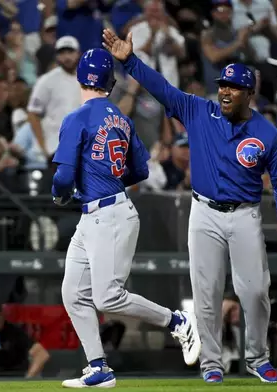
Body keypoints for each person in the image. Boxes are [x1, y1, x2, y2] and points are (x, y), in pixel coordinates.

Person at [103, 28, 277, 384]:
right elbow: (162, 89)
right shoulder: (197, 111)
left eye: (233, 87)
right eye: (223, 84)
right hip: (203, 212)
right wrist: (129, 61)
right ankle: (211, 362)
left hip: (245, 214)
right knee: (205, 292)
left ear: (249, 94)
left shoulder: (266, 133)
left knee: (254, 290)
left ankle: (257, 357)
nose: (225, 90)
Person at [51, 48, 201, 388]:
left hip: (109, 214)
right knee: (73, 292)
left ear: (79, 78)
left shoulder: (77, 118)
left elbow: (62, 177)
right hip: (101, 213)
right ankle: (98, 367)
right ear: (110, 82)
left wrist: (62, 194)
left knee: (107, 297)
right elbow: (141, 170)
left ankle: (177, 322)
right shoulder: (121, 117)